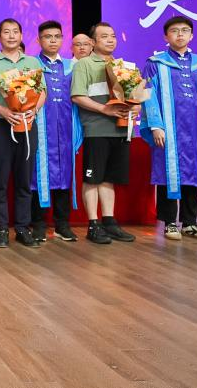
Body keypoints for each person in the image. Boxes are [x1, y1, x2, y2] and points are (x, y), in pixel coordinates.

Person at [139, 16, 197, 242]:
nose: (180, 34)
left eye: (185, 30)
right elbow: (148, 95)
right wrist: (156, 125)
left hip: (196, 129)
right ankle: (169, 222)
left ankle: (190, 223)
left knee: (193, 173)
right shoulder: (156, 63)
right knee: (168, 173)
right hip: (169, 128)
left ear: (192, 35)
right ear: (166, 36)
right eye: (175, 31)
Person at [0, 18, 45, 248]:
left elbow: (42, 92)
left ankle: (22, 228)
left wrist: (34, 110)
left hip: (27, 125)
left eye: (15, 31)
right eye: (6, 32)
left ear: (21, 35)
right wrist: (3, 111)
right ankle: (0, 230)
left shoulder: (33, 61)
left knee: (24, 179)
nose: (11, 36)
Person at [69, 22, 137, 245]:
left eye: (113, 36)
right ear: (93, 42)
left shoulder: (124, 66)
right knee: (93, 178)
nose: (110, 40)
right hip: (96, 129)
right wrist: (104, 109)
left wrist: (135, 107)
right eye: (104, 36)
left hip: (120, 129)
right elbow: (77, 96)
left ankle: (109, 222)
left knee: (109, 179)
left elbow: (133, 96)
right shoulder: (84, 64)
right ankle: (93, 224)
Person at [32, 21, 82, 243]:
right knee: (38, 176)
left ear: (62, 39)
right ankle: (38, 225)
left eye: (57, 36)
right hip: (41, 130)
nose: (53, 40)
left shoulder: (72, 66)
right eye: (47, 36)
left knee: (64, 176)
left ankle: (62, 225)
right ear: (39, 40)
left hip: (66, 129)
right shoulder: (31, 65)